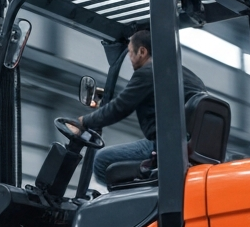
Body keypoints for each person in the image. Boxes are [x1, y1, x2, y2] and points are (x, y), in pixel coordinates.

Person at [76, 28, 205, 185]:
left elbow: (120, 107)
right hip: (191, 147)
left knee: (102, 160)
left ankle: (123, 202)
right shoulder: (189, 77)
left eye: (131, 52)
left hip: (165, 146)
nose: (130, 57)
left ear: (142, 51)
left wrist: (84, 121)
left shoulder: (148, 72)